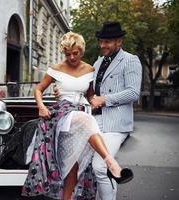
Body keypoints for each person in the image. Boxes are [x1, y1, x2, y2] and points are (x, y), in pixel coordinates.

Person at [22, 31, 133, 200]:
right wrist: (41, 106)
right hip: (62, 114)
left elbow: (90, 95)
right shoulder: (56, 69)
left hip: (81, 113)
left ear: (82, 51)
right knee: (87, 119)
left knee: (73, 165)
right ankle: (111, 163)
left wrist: (99, 100)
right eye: (68, 54)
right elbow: (38, 89)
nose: (72, 57)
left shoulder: (90, 70)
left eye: (76, 53)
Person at [54, 22, 142, 200]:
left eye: (107, 42)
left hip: (116, 124)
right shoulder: (98, 62)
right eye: (101, 41)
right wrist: (63, 91)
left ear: (119, 41)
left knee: (100, 167)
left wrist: (105, 99)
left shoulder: (130, 60)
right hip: (94, 122)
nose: (102, 46)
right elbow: (90, 93)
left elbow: (133, 92)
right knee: (82, 164)